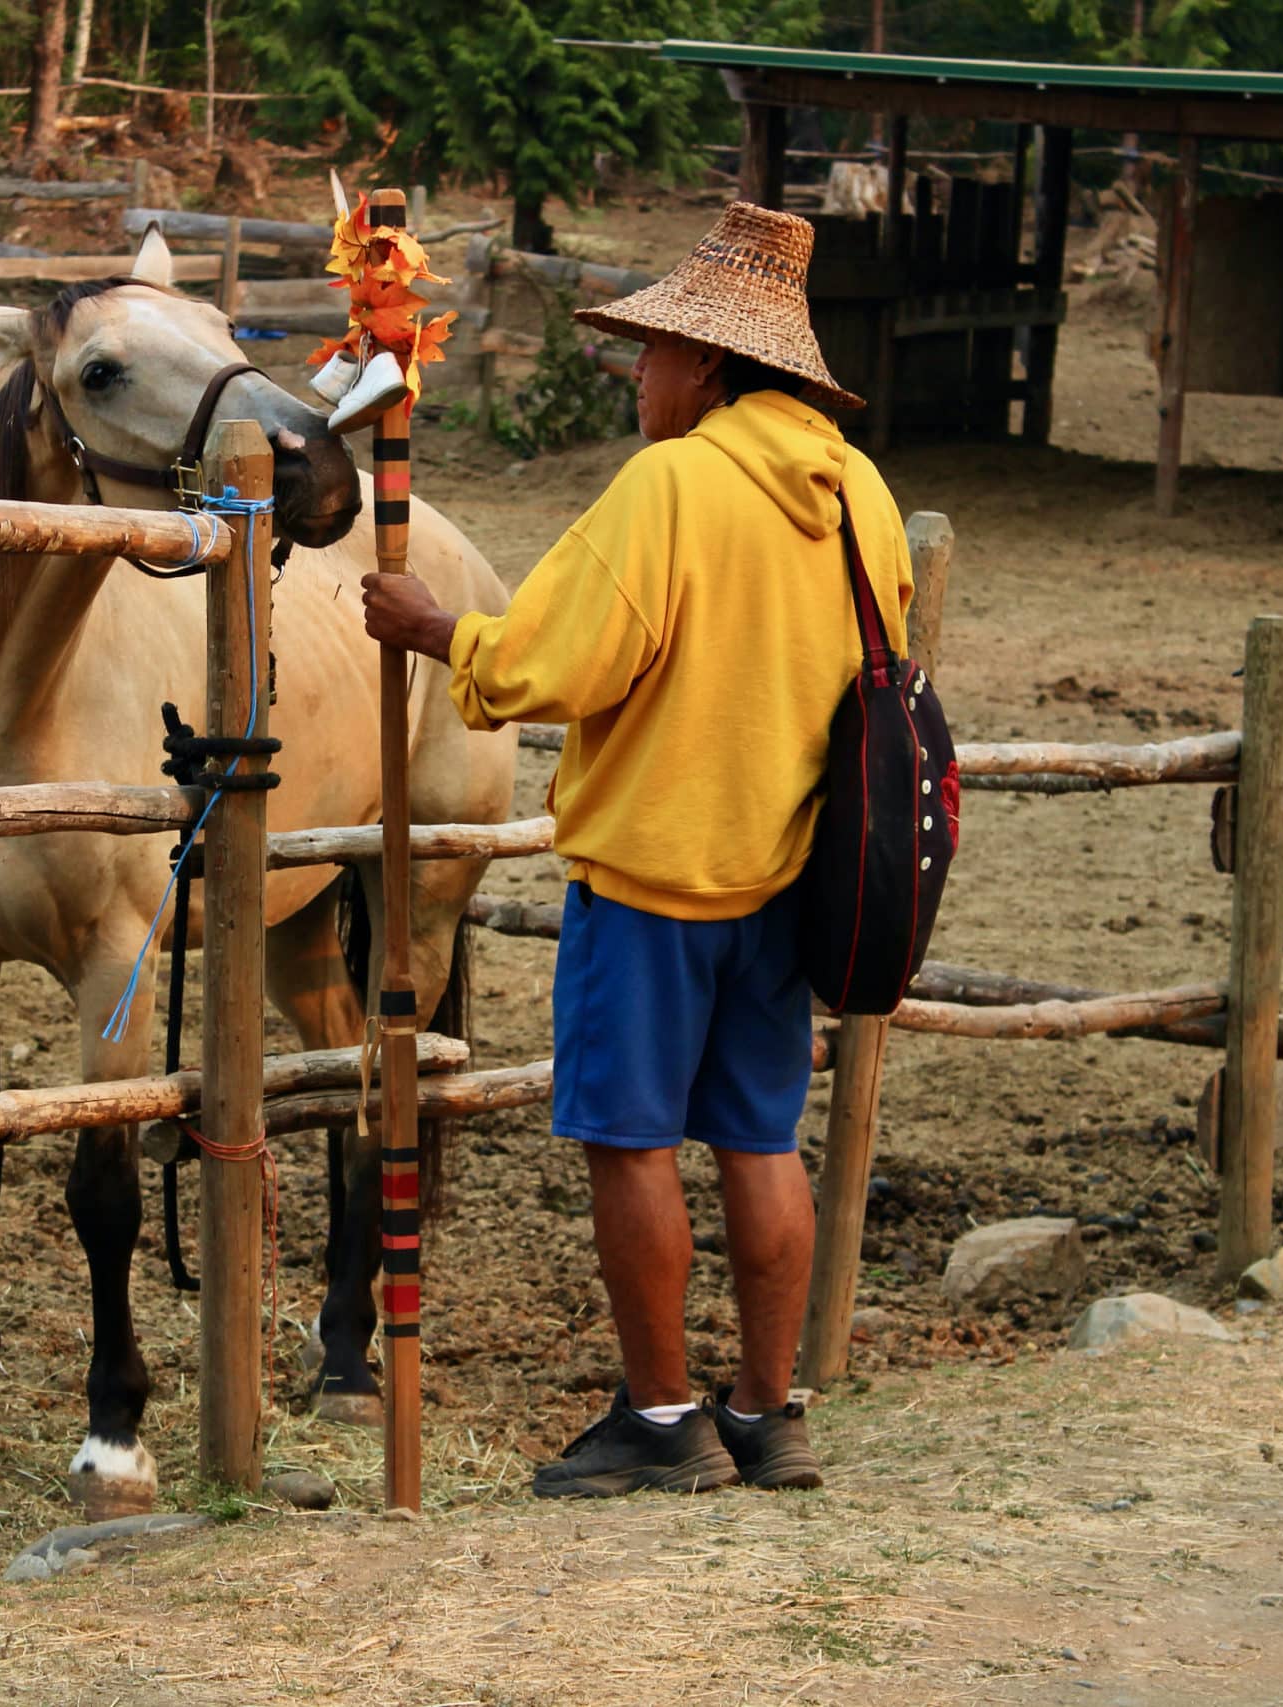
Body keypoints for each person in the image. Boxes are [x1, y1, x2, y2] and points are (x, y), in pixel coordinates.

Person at [361, 203, 914, 1499]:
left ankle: (664, 1422)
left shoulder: (674, 487)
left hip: (653, 882)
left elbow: (559, 661)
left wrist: (440, 631)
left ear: (712, 366)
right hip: (789, 880)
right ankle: (768, 1414)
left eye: (656, 351)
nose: (639, 372)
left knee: (634, 1145)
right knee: (761, 1143)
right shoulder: (863, 497)